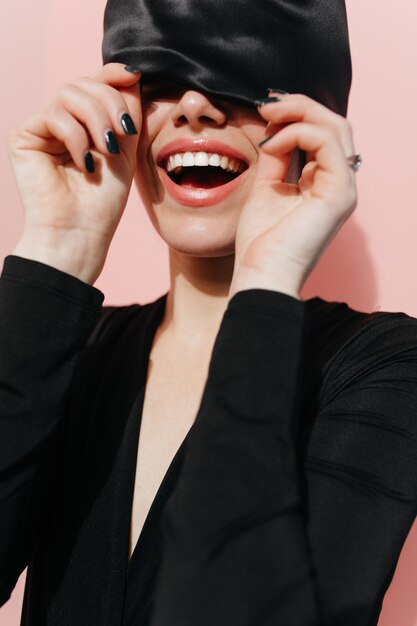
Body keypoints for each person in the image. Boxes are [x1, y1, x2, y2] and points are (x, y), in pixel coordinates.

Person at [1, 6, 417, 626]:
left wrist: (268, 272)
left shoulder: (384, 367)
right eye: (160, 79)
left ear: (314, 121)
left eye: (242, 79)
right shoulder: (67, 350)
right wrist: (59, 253)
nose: (195, 106)